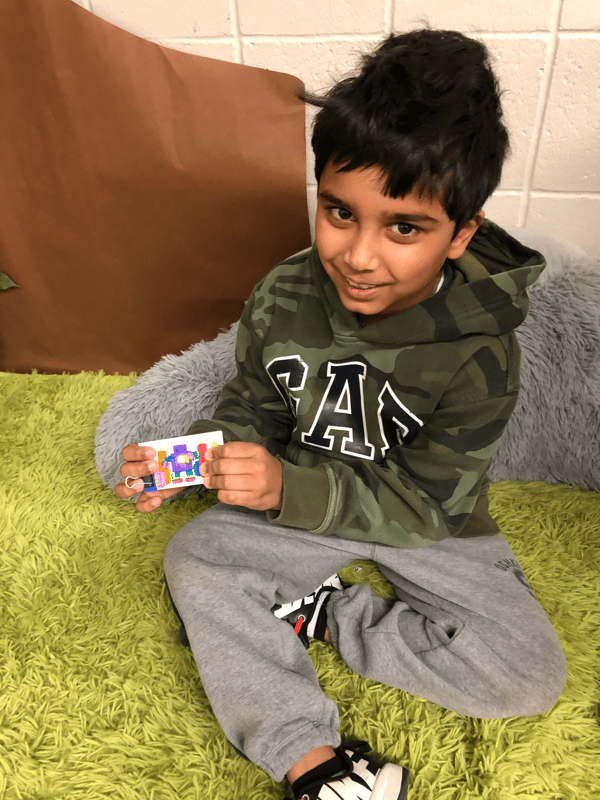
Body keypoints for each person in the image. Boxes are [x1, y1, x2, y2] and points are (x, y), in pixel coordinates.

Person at [116, 29, 567, 800]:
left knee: (528, 674)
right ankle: (308, 760)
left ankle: (324, 613)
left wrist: (287, 491)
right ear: (320, 191)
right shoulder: (283, 297)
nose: (359, 255)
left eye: (404, 228)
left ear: (460, 233)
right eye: (338, 212)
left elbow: (429, 505)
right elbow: (253, 405)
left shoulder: (480, 353)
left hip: (426, 524)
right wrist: (202, 462)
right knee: (194, 560)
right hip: (300, 496)